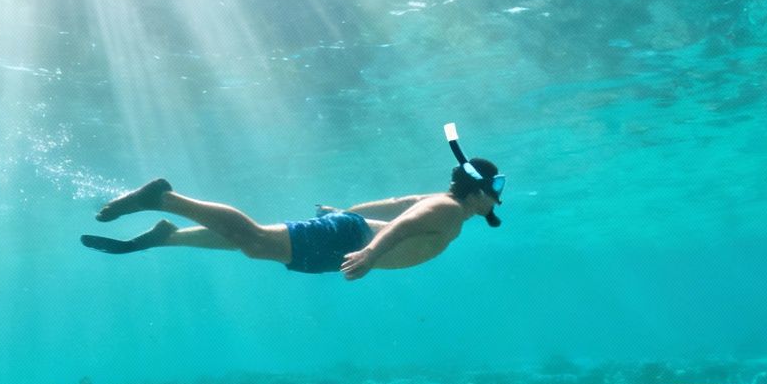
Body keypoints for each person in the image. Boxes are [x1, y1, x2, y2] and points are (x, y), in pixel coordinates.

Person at [81, 127, 505, 281]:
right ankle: (165, 199)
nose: (499, 196)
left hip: (346, 235)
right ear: (479, 191)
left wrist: (346, 211)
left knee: (254, 244)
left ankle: (168, 237)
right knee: (255, 241)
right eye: (497, 186)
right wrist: (371, 253)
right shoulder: (449, 211)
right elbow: (406, 224)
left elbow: (396, 204)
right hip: (351, 243)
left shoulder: (441, 201)